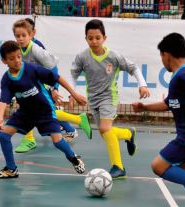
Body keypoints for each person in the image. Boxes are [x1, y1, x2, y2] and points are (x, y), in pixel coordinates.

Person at [132, 33, 185, 207]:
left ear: (166, 55)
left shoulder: (184, 75)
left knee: (158, 166)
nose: (162, 61)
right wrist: (144, 107)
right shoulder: (179, 76)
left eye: (161, 56)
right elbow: (168, 103)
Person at [0, 40, 86, 179]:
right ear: (4, 61)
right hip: (26, 112)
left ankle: (73, 158)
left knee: (57, 140)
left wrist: (74, 94)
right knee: (3, 135)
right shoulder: (7, 79)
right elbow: (4, 99)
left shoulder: (31, 68)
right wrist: (0, 118)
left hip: (44, 110)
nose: (17, 60)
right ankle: (11, 169)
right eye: (12, 59)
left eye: (19, 56)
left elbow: (57, 78)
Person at [70, 19, 150, 179]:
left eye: (97, 38)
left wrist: (143, 85)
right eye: (90, 38)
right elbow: (73, 74)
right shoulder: (82, 57)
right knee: (104, 132)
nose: (94, 41)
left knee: (105, 129)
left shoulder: (113, 57)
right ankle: (128, 134)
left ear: (104, 38)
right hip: (93, 99)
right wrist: (72, 93)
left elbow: (133, 68)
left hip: (109, 97)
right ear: (85, 38)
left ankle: (118, 167)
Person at [12, 19, 91, 153]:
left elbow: (53, 68)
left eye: (24, 34)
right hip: (31, 86)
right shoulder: (19, 48)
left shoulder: (36, 47)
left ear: (32, 33)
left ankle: (31, 139)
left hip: (41, 86)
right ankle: (75, 123)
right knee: (43, 112)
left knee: (43, 112)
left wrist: (55, 88)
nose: (20, 38)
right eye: (18, 35)